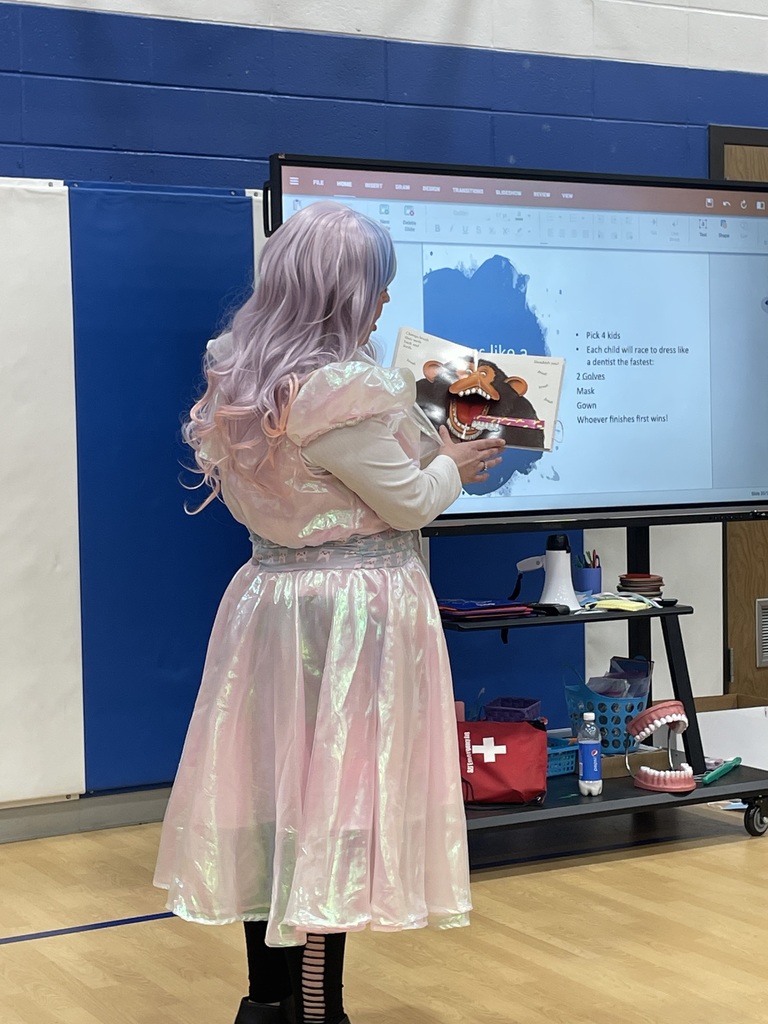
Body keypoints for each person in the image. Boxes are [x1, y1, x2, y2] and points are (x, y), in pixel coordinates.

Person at [153, 200, 505, 1024]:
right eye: (376, 285)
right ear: (342, 291)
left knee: (274, 802)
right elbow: (409, 501)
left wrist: (428, 450)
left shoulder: (243, 377)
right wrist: (453, 465)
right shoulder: (339, 391)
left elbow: (342, 482)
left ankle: (267, 1002)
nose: (384, 301)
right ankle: (319, 1011)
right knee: (335, 809)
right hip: (352, 612)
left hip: (272, 602)